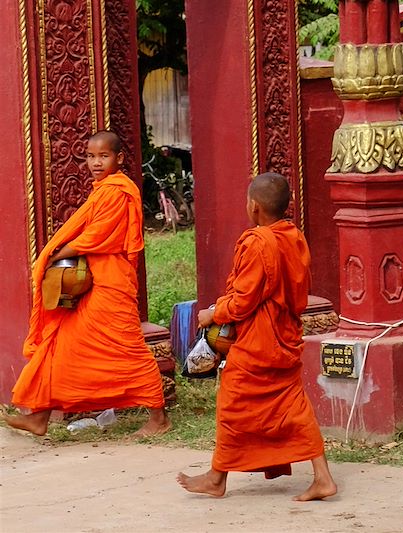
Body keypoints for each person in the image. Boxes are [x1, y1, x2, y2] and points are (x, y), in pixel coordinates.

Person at [176, 173, 337, 501]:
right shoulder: (293, 236)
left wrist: (213, 313)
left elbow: (242, 301)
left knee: (233, 402)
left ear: (253, 206)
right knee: (292, 405)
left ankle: (217, 477)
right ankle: (322, 477)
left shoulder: (257, 242)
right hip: (286, 333)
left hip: (259, 340)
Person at [3, 130, 170, 437]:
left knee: (129, 348)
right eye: (90, 156)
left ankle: (158, 418)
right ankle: (39, 416)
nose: (96, 162)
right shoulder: (103, 190)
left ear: (118, 158)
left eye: (103, 156)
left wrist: (56, 253)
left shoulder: (119, 191)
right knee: (61, 344)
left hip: (113, 281)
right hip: (95, 281)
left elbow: (98, 236)